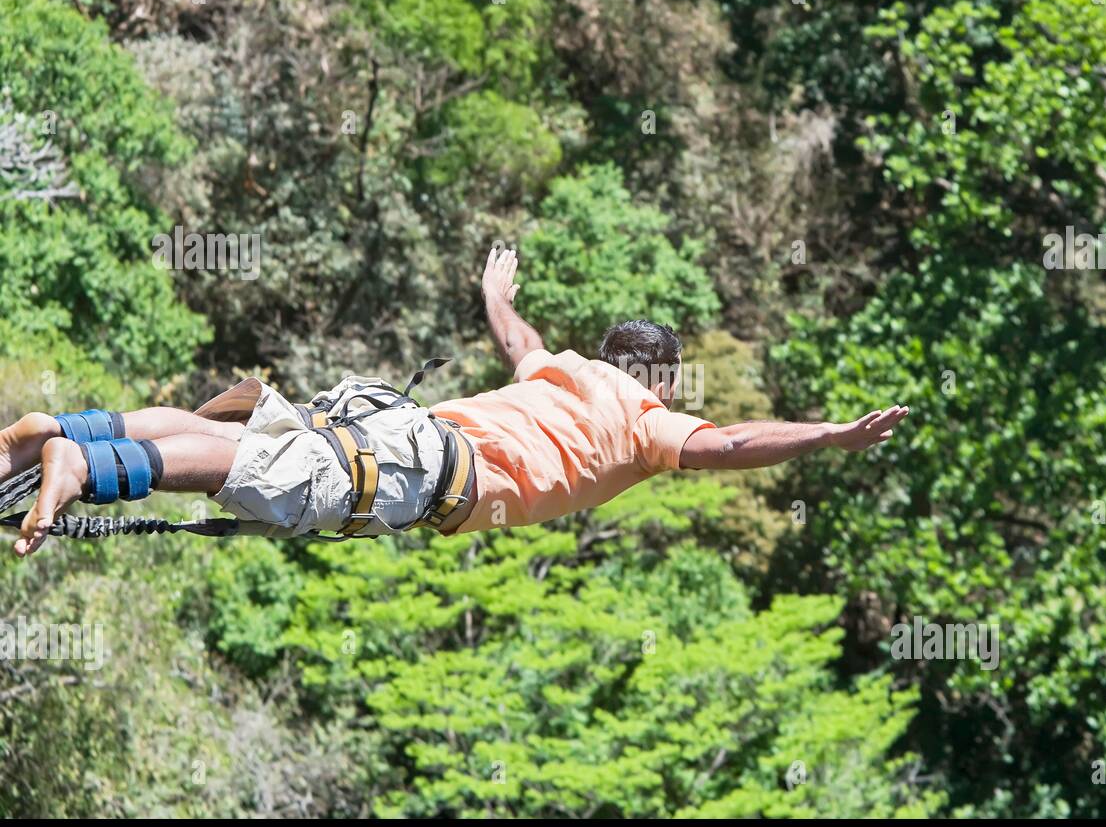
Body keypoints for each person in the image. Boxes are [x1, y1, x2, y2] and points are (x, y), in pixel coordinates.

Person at [0, 248, 908, 557]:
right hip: (422, 468)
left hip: (397, 422)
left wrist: (494, 288)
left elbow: (514, 336)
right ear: (661, 379)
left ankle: (71, 431)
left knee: (244, 429)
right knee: (258, 473)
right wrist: (827, 435)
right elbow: (729, 443)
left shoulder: (560, 369)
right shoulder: (644, 419)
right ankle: (85, 464)